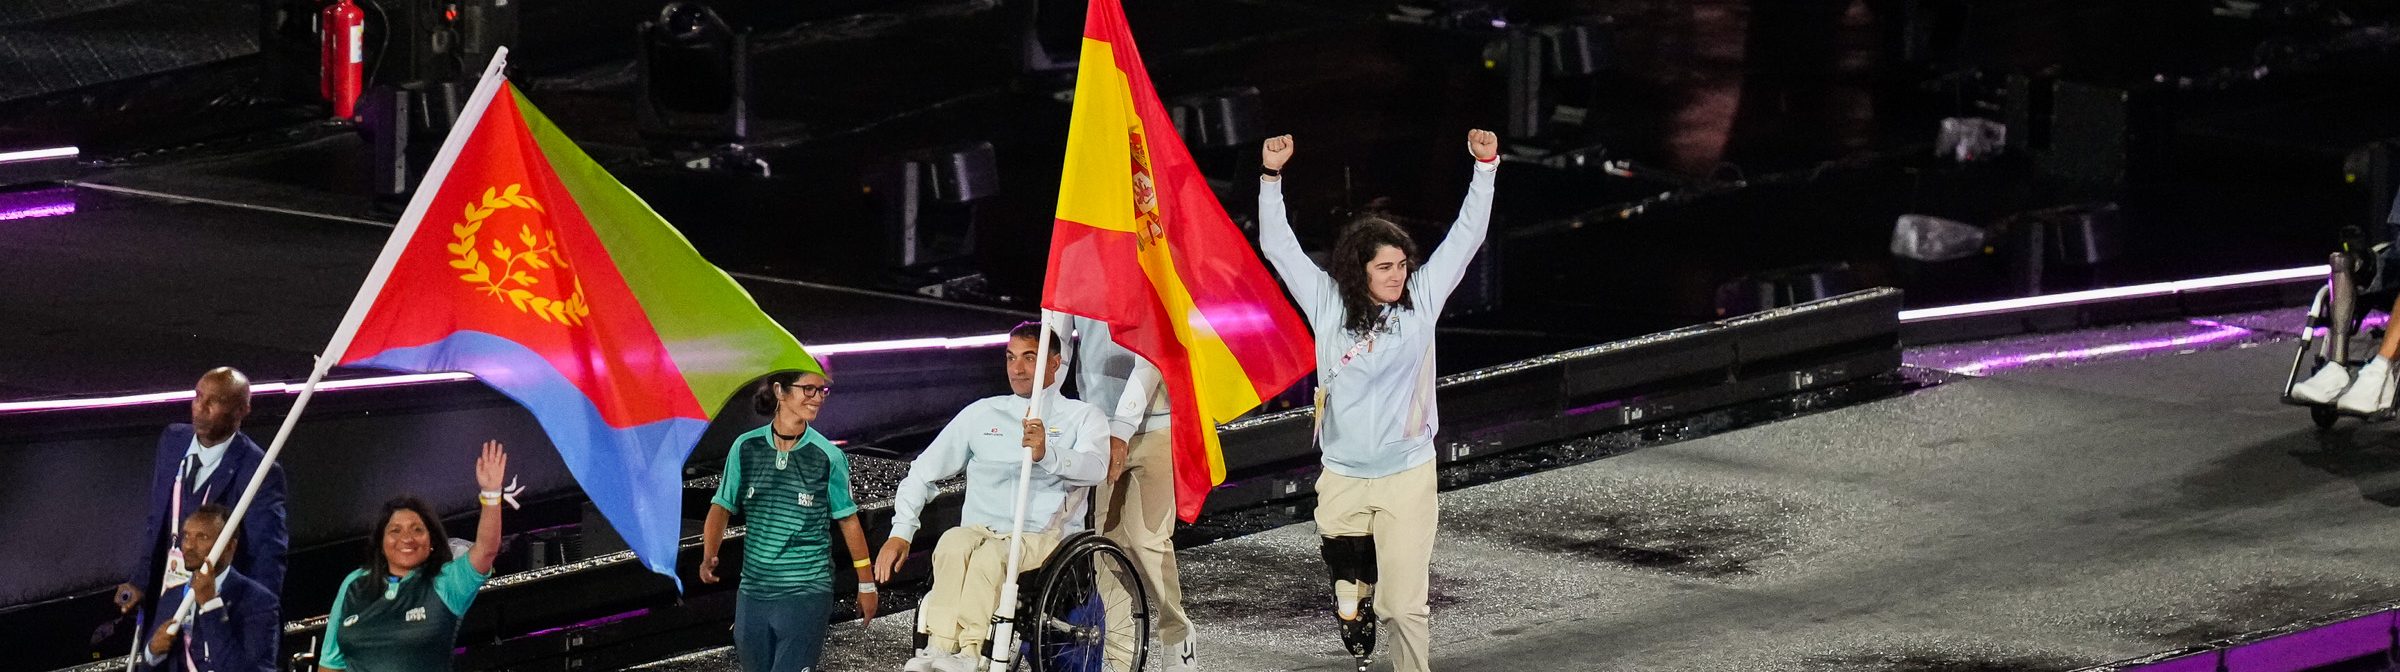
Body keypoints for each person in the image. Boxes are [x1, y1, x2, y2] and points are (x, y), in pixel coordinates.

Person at [1256, 129, 1499, 672]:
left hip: (1407, 476)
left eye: (1401, 265)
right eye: (1384, 268)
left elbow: (1466, 237)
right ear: (1357, 271)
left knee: (1403, 607)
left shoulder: (1423, 299)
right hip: (1341, 475)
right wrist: (1271, 177)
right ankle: (1353, 594)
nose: (1397, 275)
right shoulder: (1325, 302)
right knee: (1350, 589)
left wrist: (1485, 169)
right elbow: (1278, 246)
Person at [874, 321, 1109, 672]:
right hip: (981, 530)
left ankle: (972, 652)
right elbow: (922, 471)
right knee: (951, 544)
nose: (1018, 368)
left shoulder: (1082, 416)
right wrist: (901, 531)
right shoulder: (982, 413)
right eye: (1011, 357)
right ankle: (938, 649)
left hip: (1042, 537)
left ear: (1054, 363)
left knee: (991, 559)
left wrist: (1048, 454)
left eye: (1030, 357)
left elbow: (1096, 468)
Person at [699, 367, 879, 672]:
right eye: (808, 389)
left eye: (821, 390)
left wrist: (866, 585)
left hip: (806, 592)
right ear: (781, 391)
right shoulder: (745, 447)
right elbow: (721, 506)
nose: (818, 398)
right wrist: (709, 554)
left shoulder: (828, 456)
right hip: (753, 592)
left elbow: (849, 522)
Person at [1070, 316, 1200, 671]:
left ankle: (1176, 635)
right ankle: (1118, 652)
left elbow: (1155, 347)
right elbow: (1058, 335)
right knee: (1102, 545)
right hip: (1094, 425)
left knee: (1148, 540)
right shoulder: (1079, 264)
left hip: (1154, 424)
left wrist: (1123, 427)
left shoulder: (1152, 260)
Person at [118, 368, 288, 633]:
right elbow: (158, 522)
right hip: (165, 599)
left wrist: (259, 623)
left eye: (215, 401)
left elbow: (266, 555)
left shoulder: (259, 471)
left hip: (214, 607)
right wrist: (140, 580)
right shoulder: (173, 441)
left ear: (242, 410)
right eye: (198, 396)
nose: (200, 408)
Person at [317, 441, 510, 672]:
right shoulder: (354, 584)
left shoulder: (445, 582)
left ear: (431, 543)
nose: (406, 538)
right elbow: (329, 664)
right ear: (380, 543)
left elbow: (486, 550)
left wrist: (490, 494)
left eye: (417, 529)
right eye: (395, 530)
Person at [136, 503, 277, 672]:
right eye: (186, 536)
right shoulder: (172, 597)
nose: (188, 546)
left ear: (230, 546)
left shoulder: (258, 602)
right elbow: (147, 668)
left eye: (202, 537)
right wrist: (152, 652)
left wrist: (211, 606)